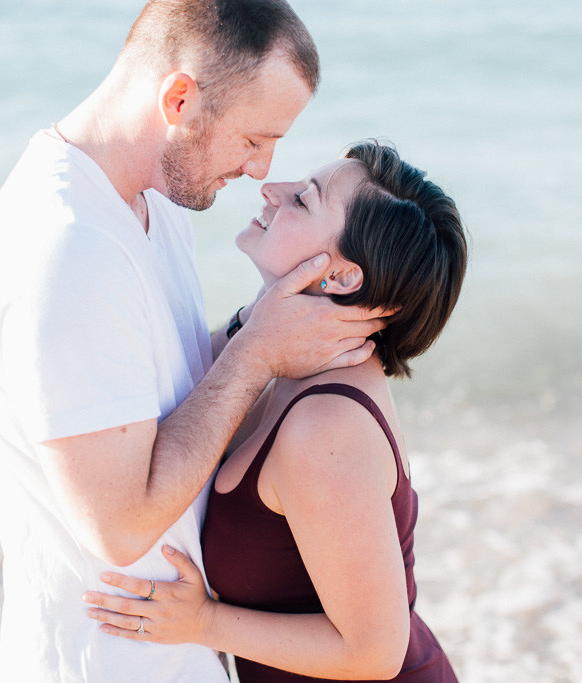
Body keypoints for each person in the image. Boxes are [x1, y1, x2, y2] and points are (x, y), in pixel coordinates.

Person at [0, 2, 387, 680]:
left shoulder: (153, 200)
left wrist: (259, 327)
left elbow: (165, 385)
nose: (261, 169)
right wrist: (256, 355)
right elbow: (121, 529)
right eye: (253, 138)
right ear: (180, 98)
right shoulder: (67, 248)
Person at [82, 140, 468, 681]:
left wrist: (203, 622)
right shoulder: (289, 362)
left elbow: (374, 653)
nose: (271, 189)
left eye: (304, 200)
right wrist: (255, 324)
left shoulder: (324, 425)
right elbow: (188, 380)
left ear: (340, 278)